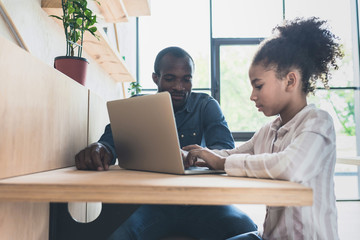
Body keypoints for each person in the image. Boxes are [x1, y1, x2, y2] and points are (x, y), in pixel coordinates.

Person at [184, 17, 343, 240]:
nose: (252, 95)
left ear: (290, 81)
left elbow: (290, 167)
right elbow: (229, 156)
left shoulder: (318, 122)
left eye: (258, 85)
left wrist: (222, 162)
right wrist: (193, 155)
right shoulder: (269, 131)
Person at [75, 46, 258, 239]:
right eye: (170, 78)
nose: (179, 87)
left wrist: (197, 156)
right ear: (156, 78)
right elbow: (110, 144)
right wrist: (100, 148)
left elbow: (226, 152)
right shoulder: (137, 106)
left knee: (249, 231)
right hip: (152, 202)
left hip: (202, 202)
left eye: (186, 79)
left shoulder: (206, 105)